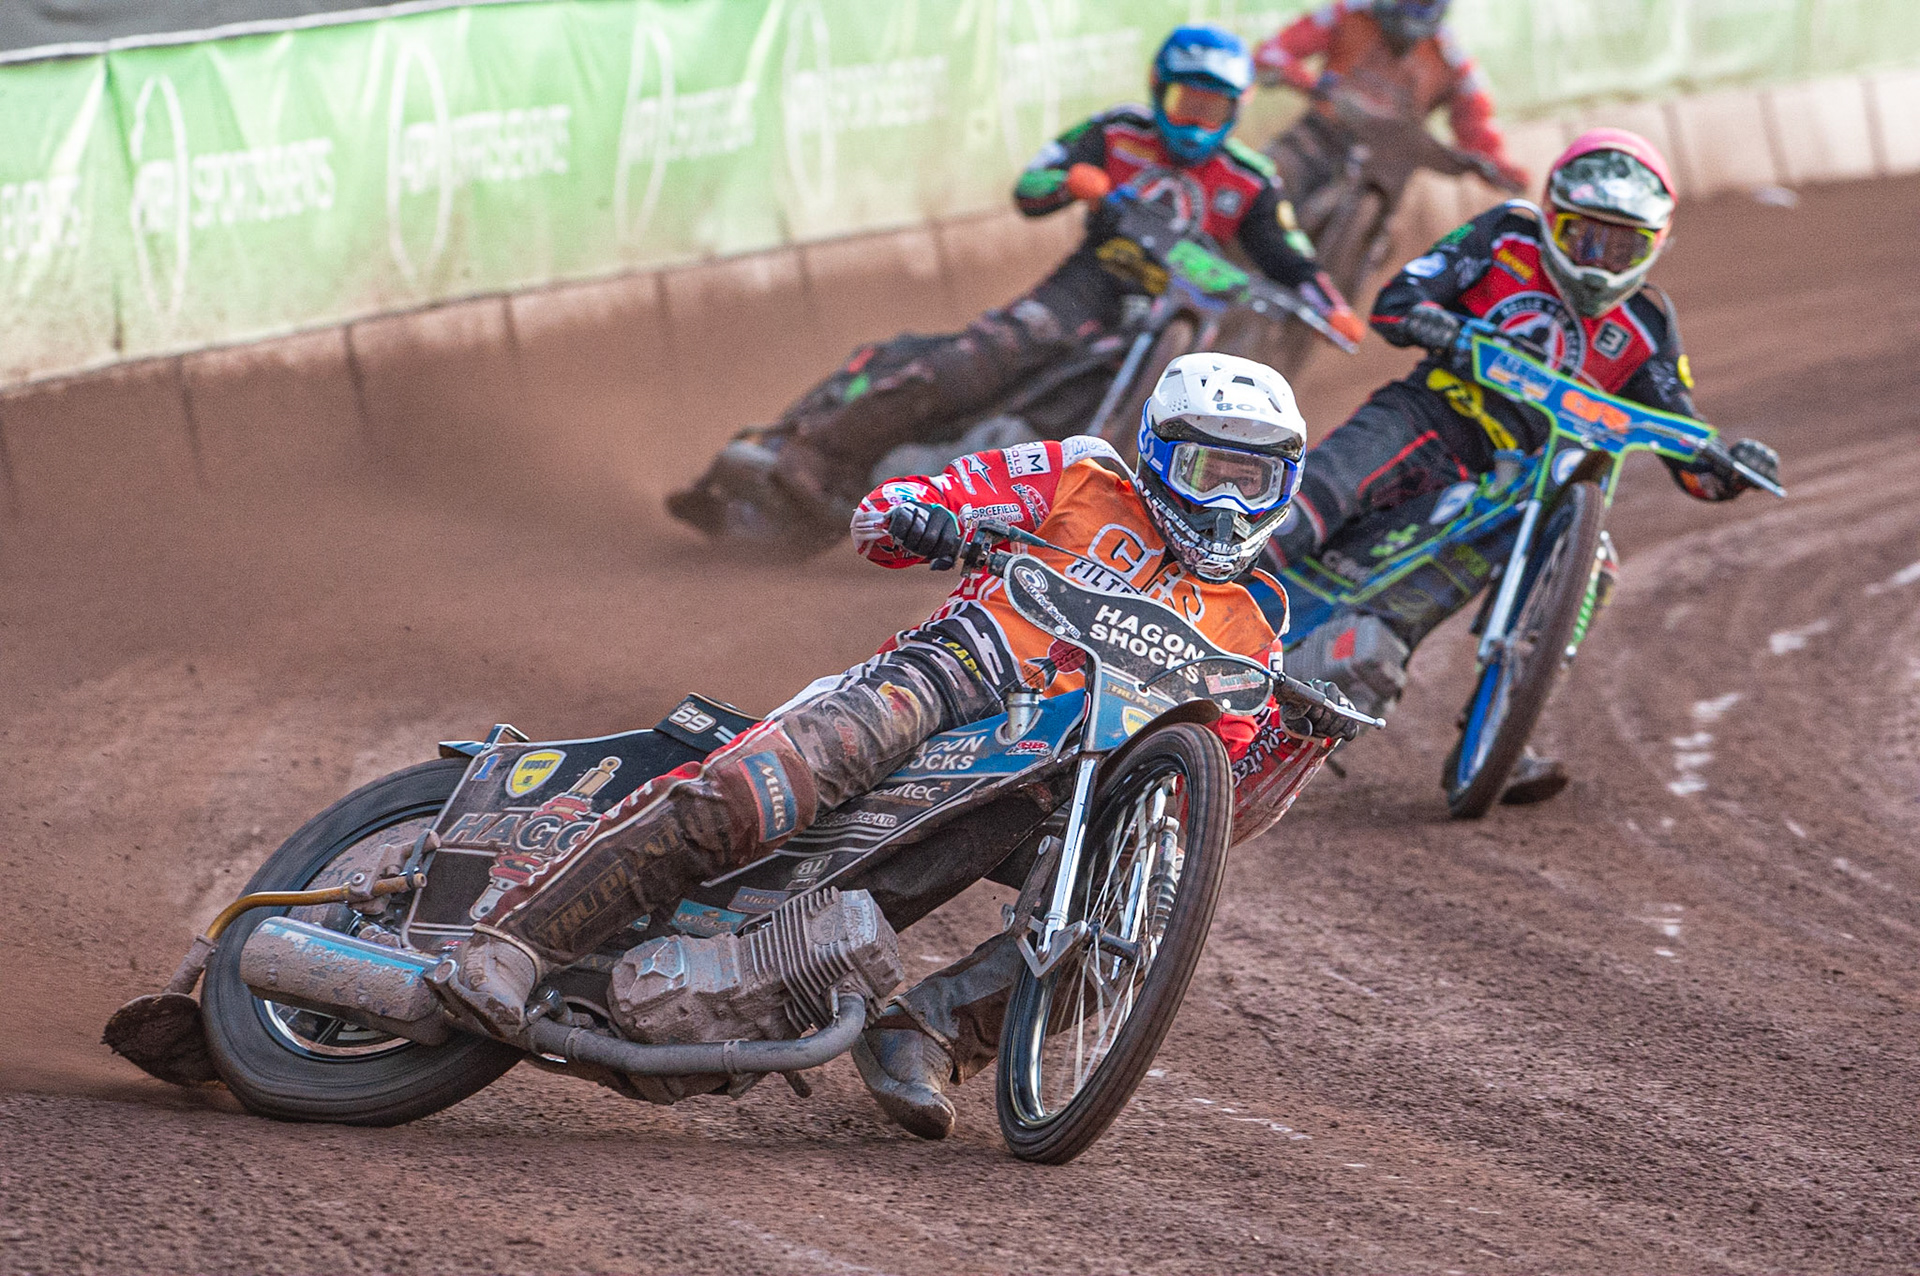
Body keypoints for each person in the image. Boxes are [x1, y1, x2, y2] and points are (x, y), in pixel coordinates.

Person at [437, 353, 1359, 1139]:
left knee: (1140, 914)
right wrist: (926, 518)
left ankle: (932, 1033)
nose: (1230, 506)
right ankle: (513, 942)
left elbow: (1207, 801)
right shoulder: (1082, 476)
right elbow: (903, 505)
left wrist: (1291, 745)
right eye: (1209, 471)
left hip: (1057, 789)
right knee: (763, 792)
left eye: (1255, 481)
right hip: (955, 676)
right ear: (1159, 454)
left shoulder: (1253, 625)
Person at [667, 25, 1364, 554]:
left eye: (1212, 111)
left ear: (1236, 113)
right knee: (982, 357)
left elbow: (1289, 253)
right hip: (1088, 286)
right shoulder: (1117, 133)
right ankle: (811, 459)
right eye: (1185, 102)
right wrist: (1071, 182)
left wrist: (1331, 305)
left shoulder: (1248, 180)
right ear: (1160, 91)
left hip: (1183, 315)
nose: (1193, 122)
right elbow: (1032, 184)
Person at [1263, 128, 1781, 803]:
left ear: (1653, 245)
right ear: (1551, 214)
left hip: (1524, 478)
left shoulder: (1648, 323)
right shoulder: (1507, 236)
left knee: (1592, 564)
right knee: (1313, 498)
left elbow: (1686, 440)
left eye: (1621, 245)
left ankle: (1505, 721)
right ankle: (1189, 594)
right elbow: (1398, 299)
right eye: (1583, 235)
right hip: (1431, 413)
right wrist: (1436, 323)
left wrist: (1730, 462)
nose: (1598, 260)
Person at [1253, 0, 1530, 199]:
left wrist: (1496, 165)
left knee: (1401, 229)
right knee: (1264, 179)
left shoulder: (1453, 61)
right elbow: (1271, 52)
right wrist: (1308, 83)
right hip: (1318, 137)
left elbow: (1477, 124)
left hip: (1389, 165)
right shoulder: (1348, 13)